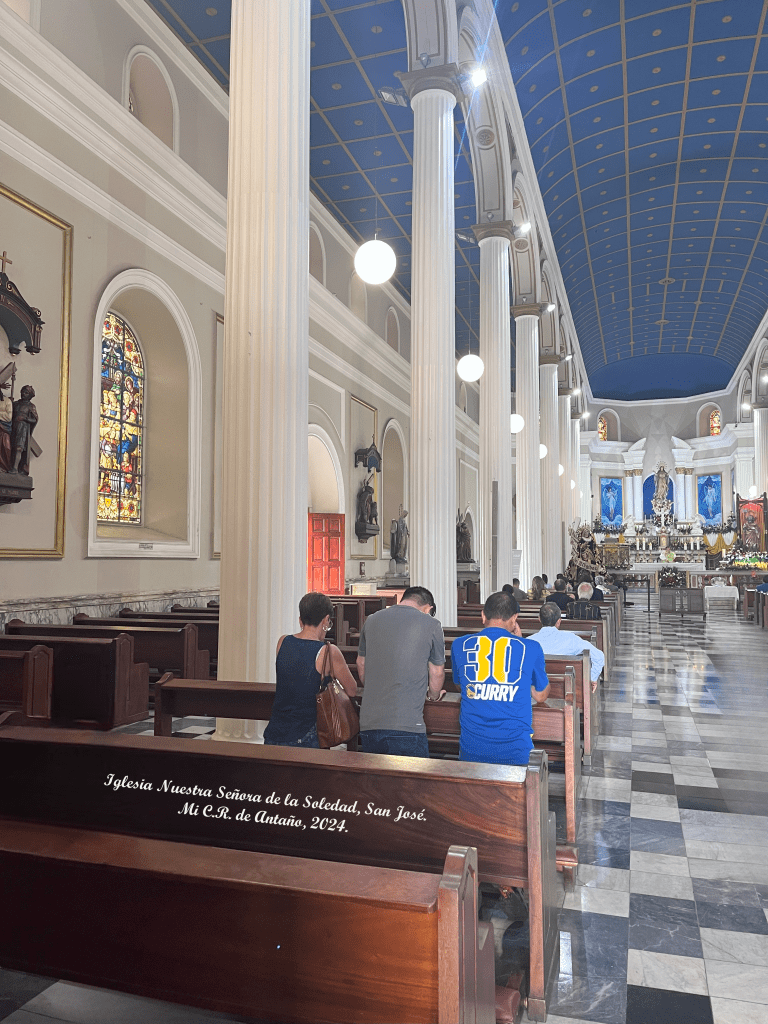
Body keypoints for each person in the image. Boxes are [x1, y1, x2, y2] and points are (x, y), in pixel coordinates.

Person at [451, 590, 550, 765]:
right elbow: (540, 695)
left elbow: (460, 686)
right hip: (516, 752)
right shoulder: (531, 648)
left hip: (471, 752)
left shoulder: (459, 644)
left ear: (483, 615)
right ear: (514, 618)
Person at [356, 585, 445, 757]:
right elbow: (437, 673)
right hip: (408, 725)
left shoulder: (371, 620)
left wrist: (377, 687)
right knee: (412, 775)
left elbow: (361, 663)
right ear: (428, 608)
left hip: (369, 724)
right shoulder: (432, 624)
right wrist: (433, 695)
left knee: (377, 774)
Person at [264, 592, 356, 748]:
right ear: (326, 620)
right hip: (306, 736)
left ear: (301, 619)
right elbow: (352, 689)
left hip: (274, 733)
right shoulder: (328, 651)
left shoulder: (282, 641)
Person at [528, 603, 604, 691]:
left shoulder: (528, 642)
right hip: (567, 691)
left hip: (533, 692)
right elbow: (599, 656)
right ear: (559, 621)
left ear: (539, 619)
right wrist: (592, 678)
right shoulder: (571, 639)